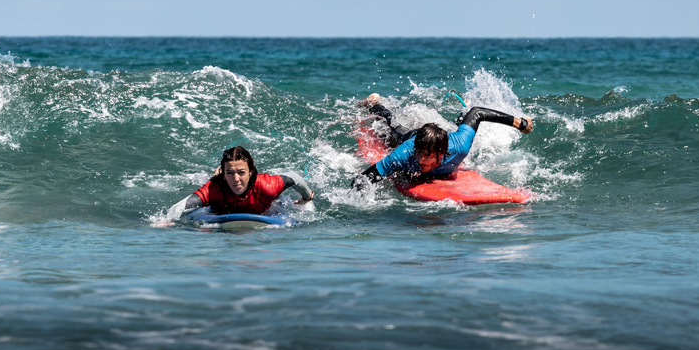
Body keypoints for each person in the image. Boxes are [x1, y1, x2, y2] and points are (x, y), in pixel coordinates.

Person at [353, 93, 533, 187]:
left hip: (439, 137)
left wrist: (520, 123)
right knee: (394, 128)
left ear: (441, 154)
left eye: (426, 156)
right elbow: (362, 180)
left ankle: (463, 108)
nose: (420, 159)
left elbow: (477, 113)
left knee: (464, 119)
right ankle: (374, 104)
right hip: (413, 137)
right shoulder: (406, 153)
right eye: (419, 154)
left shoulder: (460, 146)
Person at [168, 146, 314, 218]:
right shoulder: (215, 188)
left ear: (251, 172)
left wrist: (306, 197)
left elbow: (294, 177)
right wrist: (168, 220)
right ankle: (219, 172)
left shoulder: (267, 186)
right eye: (230, 173)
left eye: (241, 173)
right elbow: (181, 206)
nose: (236, 179)